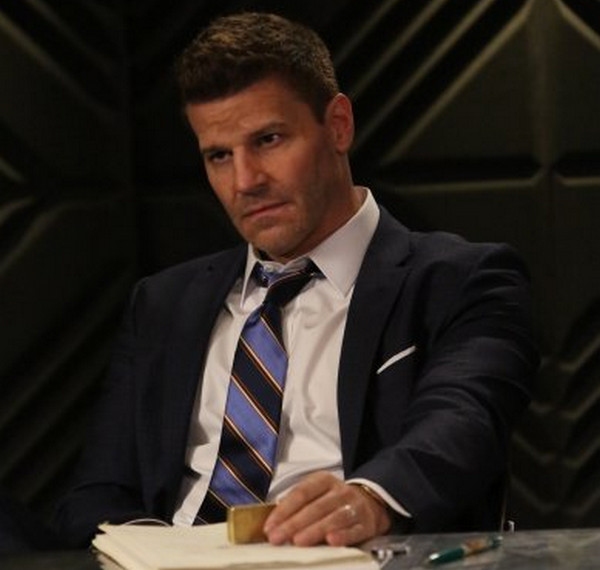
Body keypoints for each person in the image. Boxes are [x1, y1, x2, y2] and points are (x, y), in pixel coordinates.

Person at [56, 12, 538, 548]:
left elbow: (463, 423)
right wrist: (158, 553)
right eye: (219, 155)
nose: (245, 181)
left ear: (338, 126)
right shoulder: (163, 303)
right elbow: (97, 493)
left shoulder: (462, 281)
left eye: (268, 139)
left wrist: (370, 499)